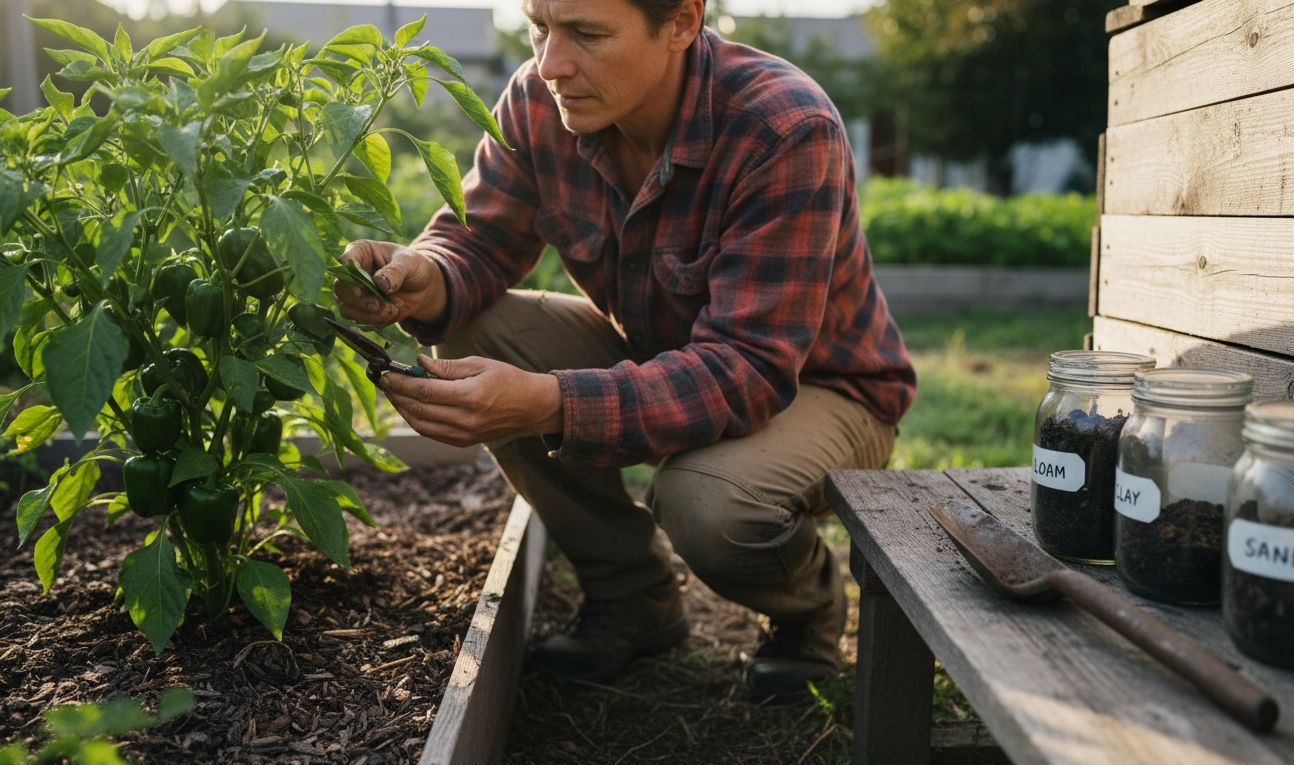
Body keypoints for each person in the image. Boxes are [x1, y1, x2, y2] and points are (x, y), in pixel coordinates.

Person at [334, 0, 916, 699]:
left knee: (706, 502)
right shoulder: (541, 99)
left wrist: (550, 403)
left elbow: (748, 370)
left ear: (680, 23)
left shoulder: (783, 127)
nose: (550, 63)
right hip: (656, 354)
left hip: (822, 389)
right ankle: (633, 595)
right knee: (472, 326)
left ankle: (809, 607)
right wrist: (421, 276)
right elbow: (478, 241)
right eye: (539, 26)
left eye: (586, 33)